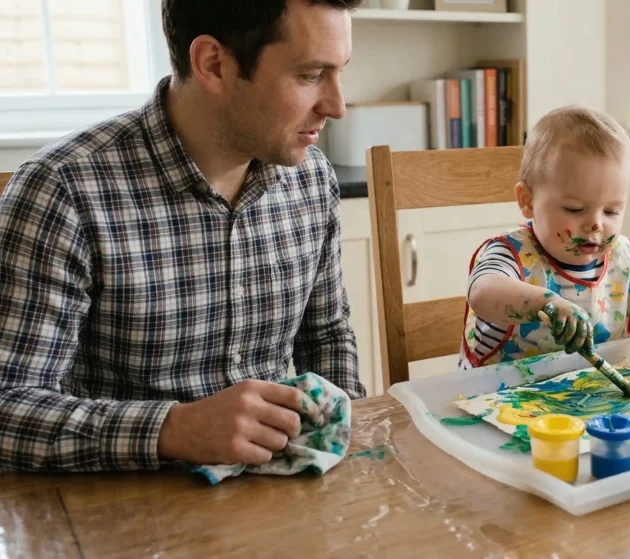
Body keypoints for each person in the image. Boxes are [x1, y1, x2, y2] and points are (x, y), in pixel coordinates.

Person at [0, 0, 366, 473]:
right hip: (119, 513)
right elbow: (7, 406)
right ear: (213, 64)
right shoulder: (64, 190)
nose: (337, 105)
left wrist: (343, 448)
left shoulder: (311, 178)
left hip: (278, 501)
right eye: (310, 75)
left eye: (339, 72)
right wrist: (173, 429)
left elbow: (328, 335)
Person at [460, 105, 630, 375]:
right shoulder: (511, 254)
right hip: (496, 400)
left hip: (585, 400)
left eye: (611, 211)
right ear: (528, 201)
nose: (596, 223)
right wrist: (547, 303)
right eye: (574, 209)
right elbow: (483, 293)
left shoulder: (621, 263)